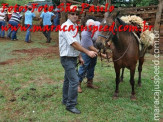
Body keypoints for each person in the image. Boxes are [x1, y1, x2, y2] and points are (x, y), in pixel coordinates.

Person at [59, 5, 97, 114]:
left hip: (72, 57)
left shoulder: (74, 26)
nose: (75, 16)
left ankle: (65, 100)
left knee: (68, 80)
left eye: (77, 14)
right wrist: (87, 52)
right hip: (66, 58)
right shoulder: (65, 26)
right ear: (68, 14)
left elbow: (77, 43)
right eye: (72, 14)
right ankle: (70, 105)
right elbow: (74, 44)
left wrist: (79, 56)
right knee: (74, 81)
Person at [78, 19, 106, 93]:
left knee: (92, 66)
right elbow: (90, 47)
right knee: (84, 66)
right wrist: (101, 54)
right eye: (90, 27)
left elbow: (103, 23)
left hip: (93, 50)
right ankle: (78, 84)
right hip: (85, 51)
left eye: (93, 26)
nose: (92, 27)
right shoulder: (85, 34)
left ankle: (89, 82)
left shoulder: (96, 24)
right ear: (87, 26)